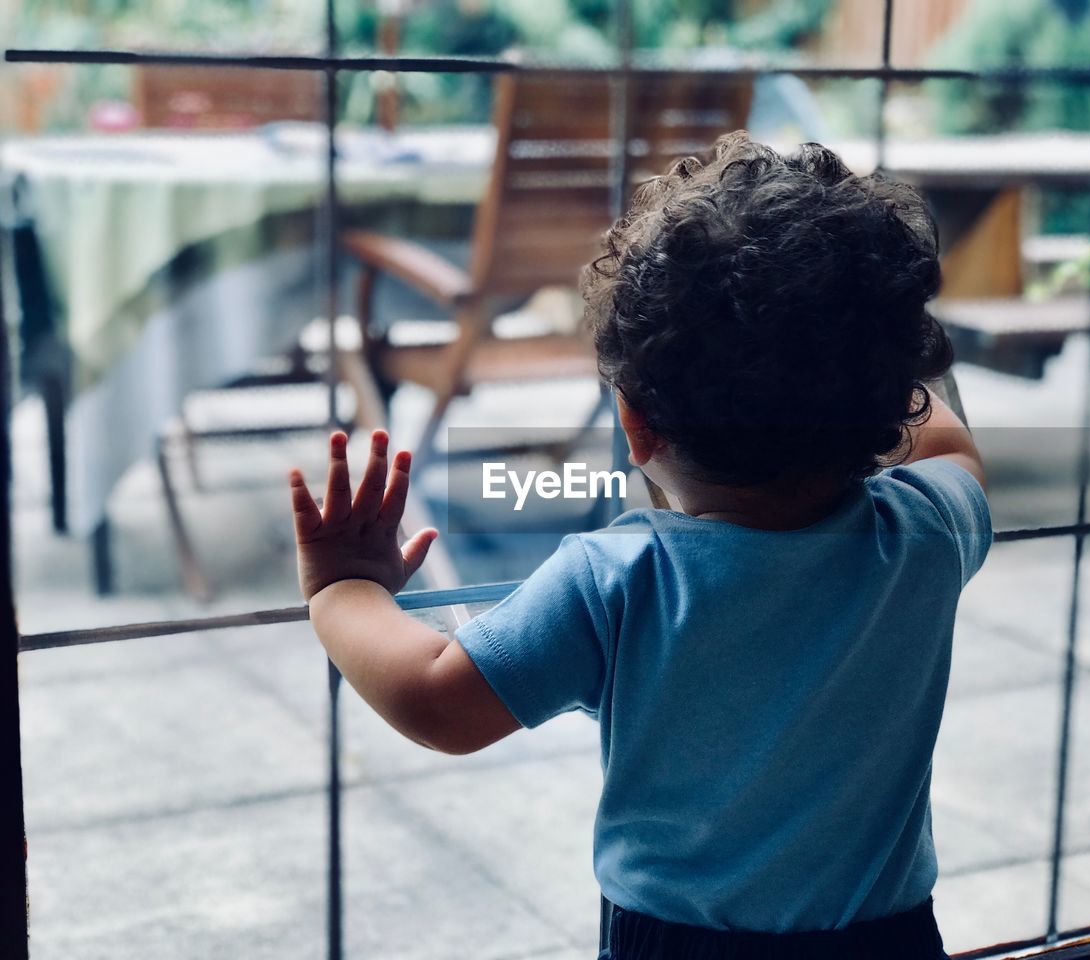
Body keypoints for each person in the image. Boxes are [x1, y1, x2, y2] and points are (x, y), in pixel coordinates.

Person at [290, 132, 990, 959]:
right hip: (889, 940)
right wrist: (873, 348)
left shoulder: (622, 579)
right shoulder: (923, 533)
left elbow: (439, 702)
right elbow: (952, 450)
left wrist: (342, 590)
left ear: (634, 422)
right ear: (888, 400)